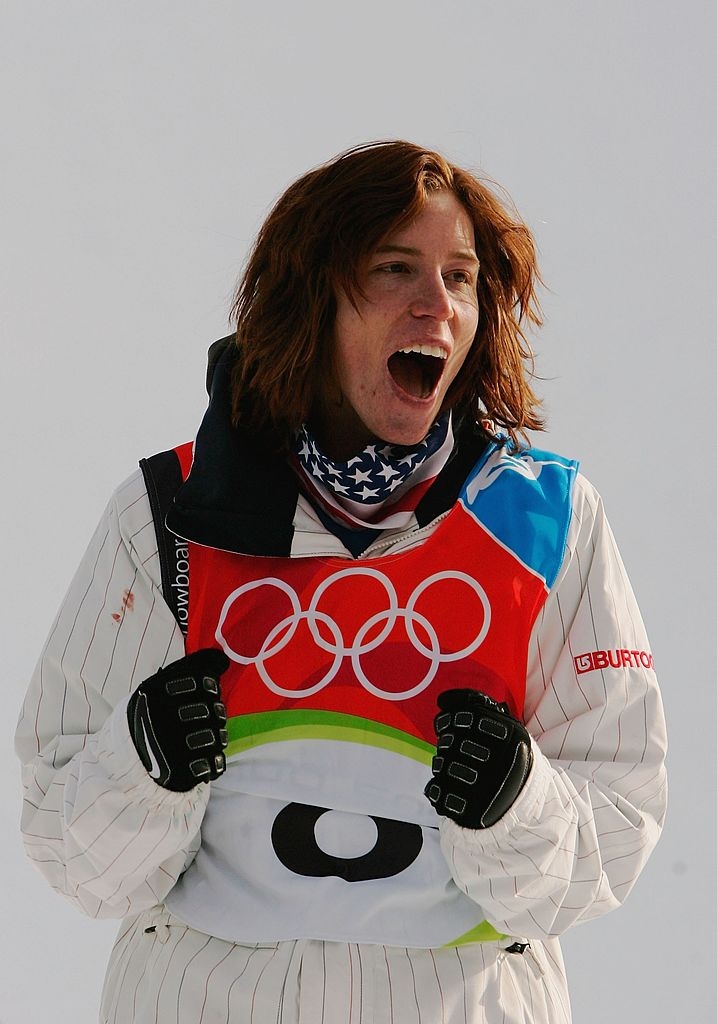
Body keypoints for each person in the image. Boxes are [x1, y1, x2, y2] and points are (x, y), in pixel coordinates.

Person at [16, 140, 667, 1024]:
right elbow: (72, 854)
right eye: (394, 268)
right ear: (310, 299)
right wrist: (145, 763)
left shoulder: (545, 522)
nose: (434, 303)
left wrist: (515, 802)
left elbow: (616, 835)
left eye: (460, 276)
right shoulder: (169, 514)